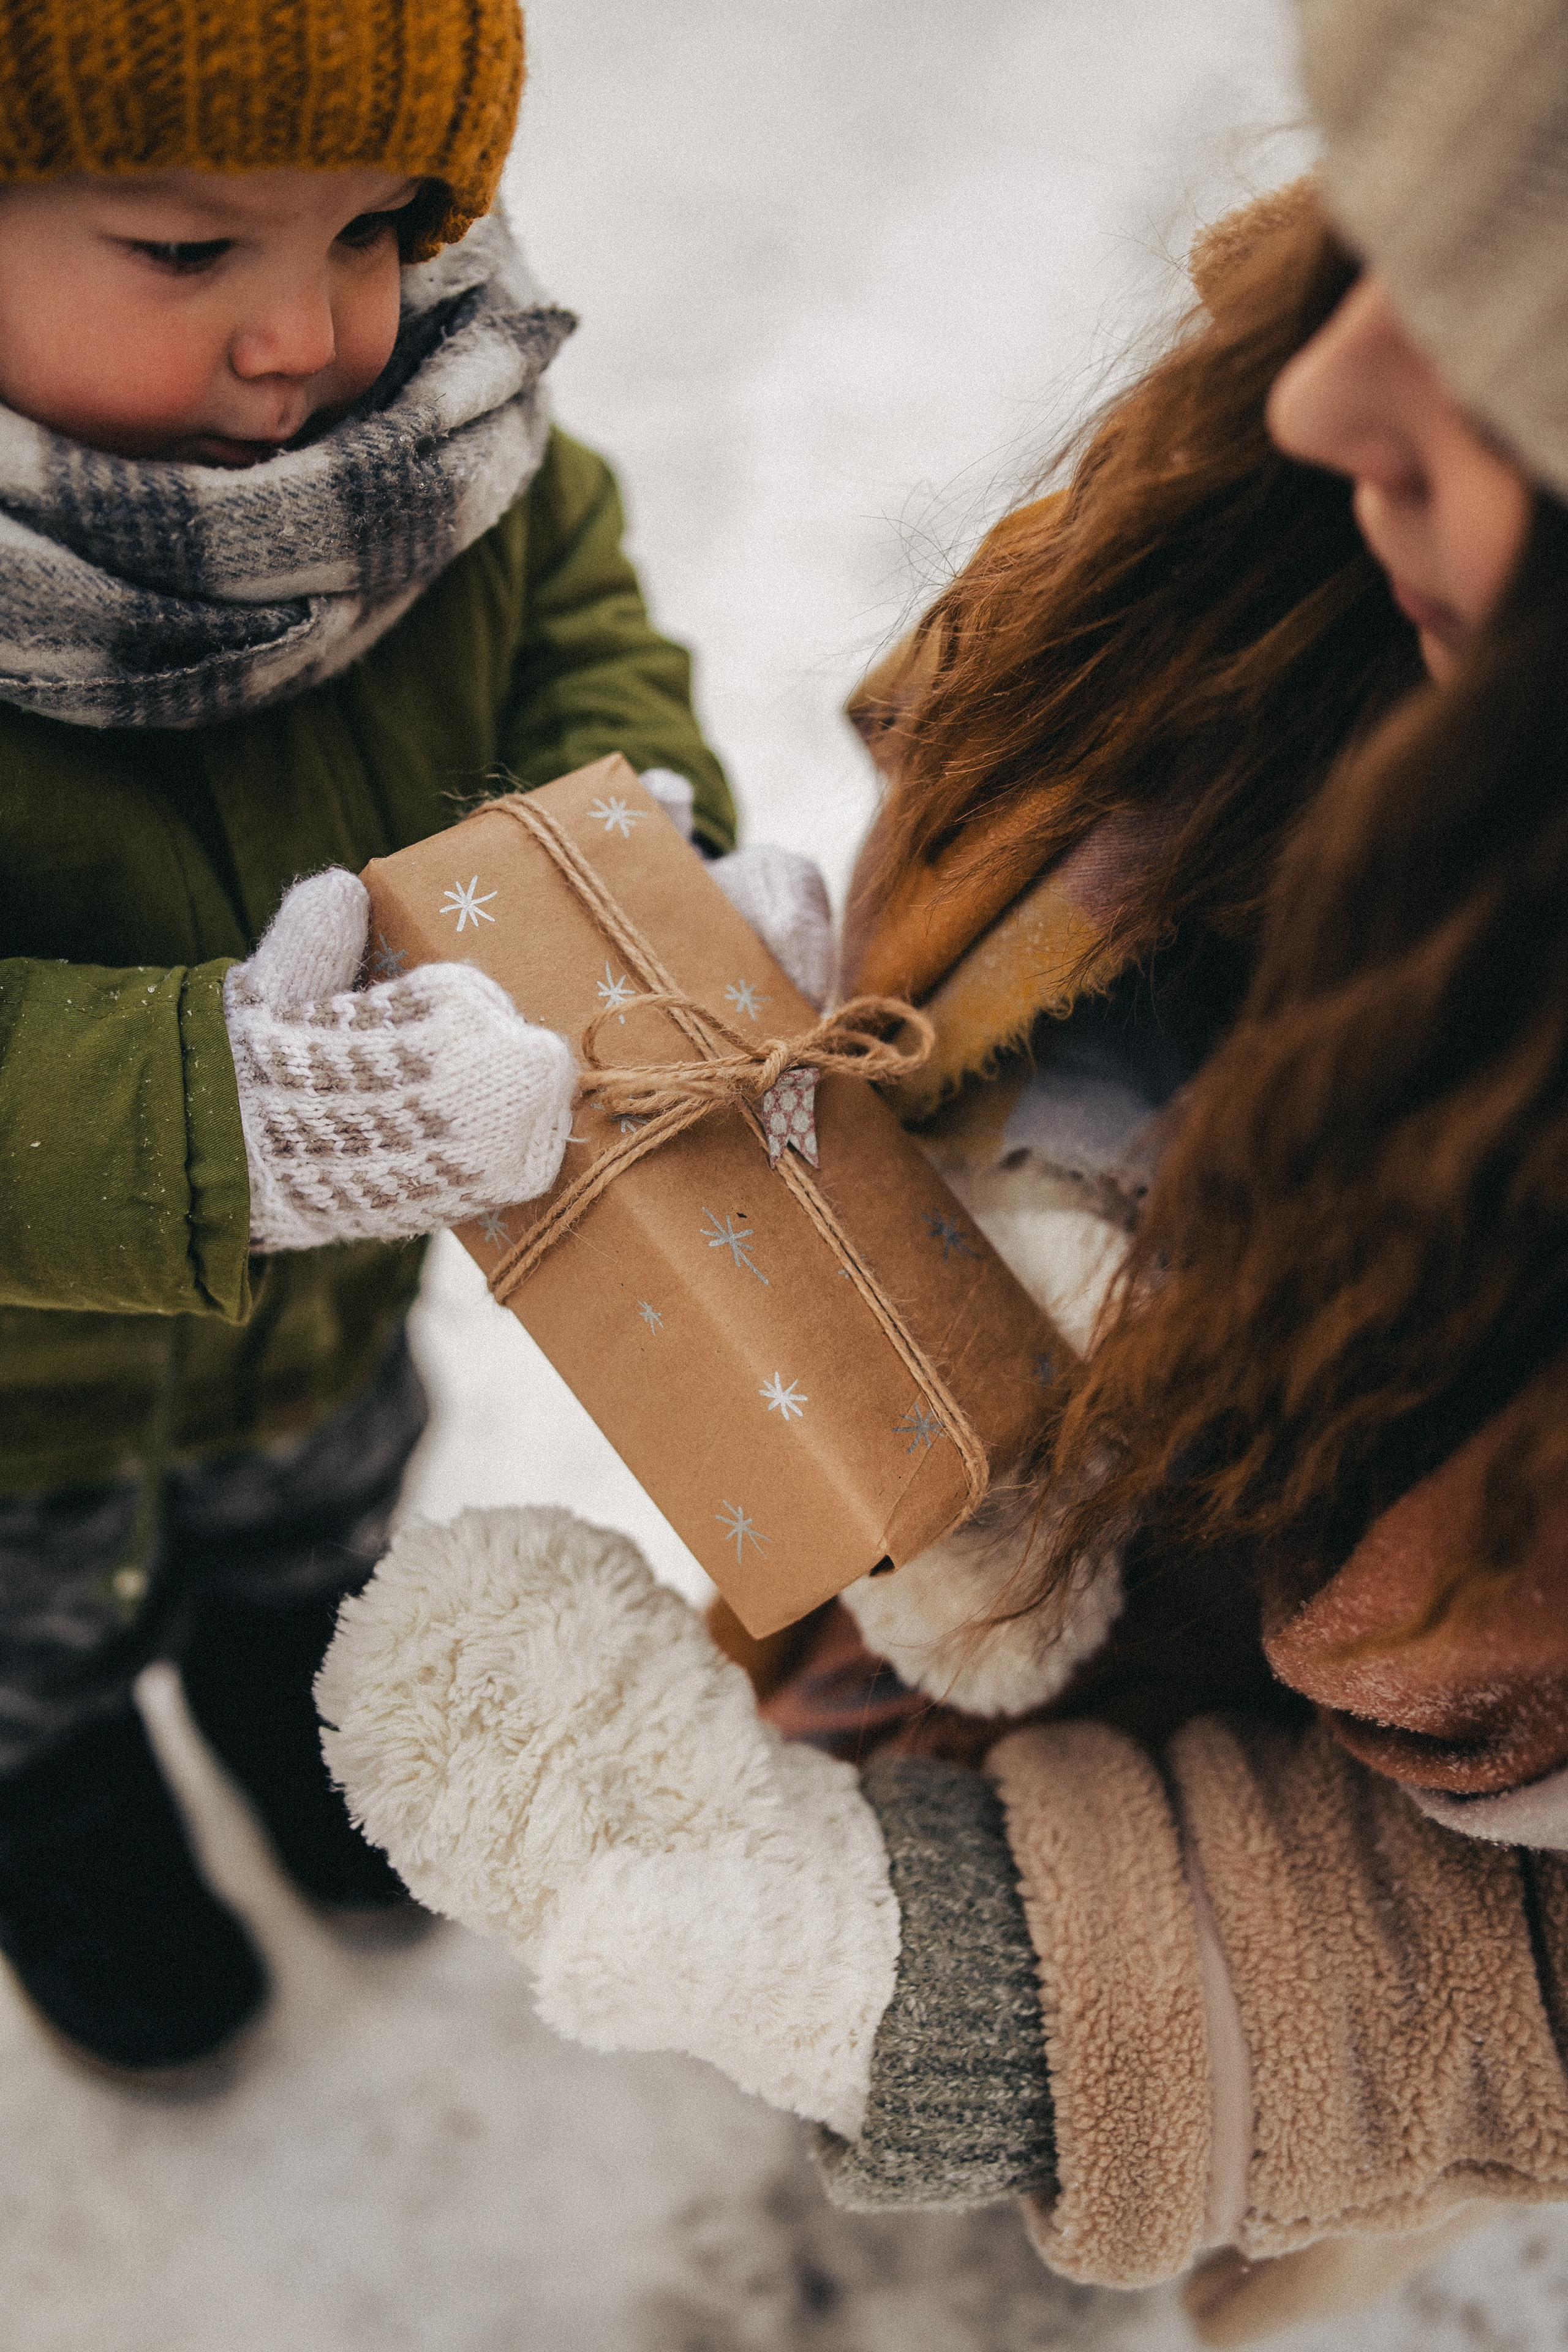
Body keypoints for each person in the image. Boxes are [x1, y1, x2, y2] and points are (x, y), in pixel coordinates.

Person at [323, 0, 1568, 2340]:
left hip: (1260, 1890)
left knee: (1147, 2189)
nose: (1325, 395)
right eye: (1374, 248)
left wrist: (898, 1968)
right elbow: (989, 694)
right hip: (931, 1524)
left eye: (1516, 400)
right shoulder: (1288, 490)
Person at [0, 0, 835, 2086]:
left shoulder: (460, 457)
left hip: (325, 1324)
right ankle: (80, 1864)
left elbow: (581, 654)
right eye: (186, 250)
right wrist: (215, 1119)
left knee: (313, 1562)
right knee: (27, 1693)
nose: (307, 335)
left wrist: (643, 877)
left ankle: (310, 1765)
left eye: (375, 227)